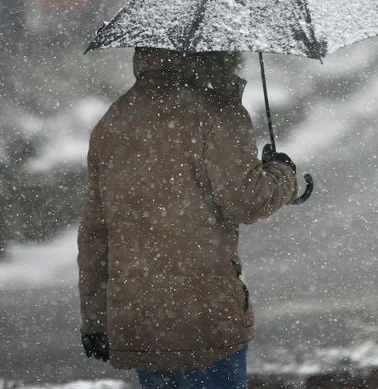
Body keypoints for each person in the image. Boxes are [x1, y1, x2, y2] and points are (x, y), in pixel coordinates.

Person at [77, 47, 298, 389]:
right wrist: (283, 173)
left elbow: (95, 233)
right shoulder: (218, 113)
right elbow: (247, 201)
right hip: (206, 314)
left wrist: (95, 319)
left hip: (142, 318)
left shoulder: (115, 120)